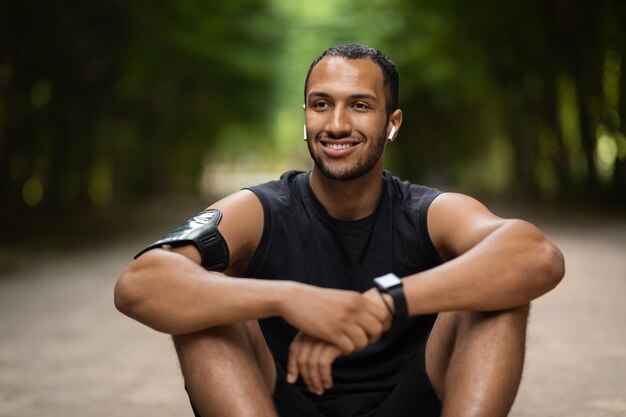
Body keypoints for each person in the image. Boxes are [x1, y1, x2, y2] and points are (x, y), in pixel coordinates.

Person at [114, 43, 565, 417]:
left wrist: (387, 301)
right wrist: (288, 298)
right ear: (305, 115)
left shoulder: (427, 211)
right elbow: (141, 283)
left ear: (392, 124)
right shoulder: (262, 209)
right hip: (280, 403)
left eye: (360, 106)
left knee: (498, 291)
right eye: (321, 104)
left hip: (411, 404)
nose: (336, 125)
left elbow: (536, 255)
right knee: (201, 302)